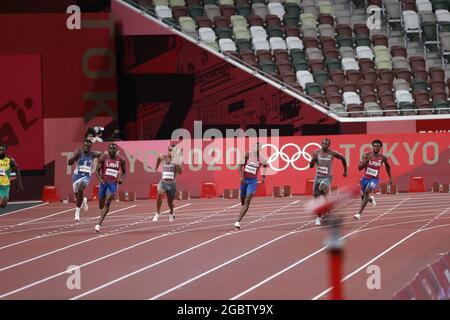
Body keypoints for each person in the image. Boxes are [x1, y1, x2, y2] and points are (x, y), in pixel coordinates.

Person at [309, 138, 347, 225]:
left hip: (327, 177)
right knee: (316, 197)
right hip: (318, 177)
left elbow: (343, 158)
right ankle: (319, 216)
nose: (324, 145)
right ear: (321, 144)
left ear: (329, 145)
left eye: (326, 144)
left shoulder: (332, 153)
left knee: (322, 188)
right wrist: (313, 160)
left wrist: (345, 171)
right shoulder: (316, 152)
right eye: (323, 143)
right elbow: (311, 166)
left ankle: (326, 206)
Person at [354, 139, 392, 220]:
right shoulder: (366, 155)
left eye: (378, 146)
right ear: (372, 146)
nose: (376, 147)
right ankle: (371, 199)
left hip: (374, 179)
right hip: (365, 178)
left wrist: (390, 178)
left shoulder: (383, 158)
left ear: (380, 147)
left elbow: (388, 166)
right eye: (374, 146)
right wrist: (366, 162)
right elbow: (359, 168)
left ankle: (359, 213)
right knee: (364, 196)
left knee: (367, 192)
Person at [234, 143, 267, 230]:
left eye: (259, 148)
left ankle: (238, 221)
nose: (257, 149)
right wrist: (241, 176)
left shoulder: (262, 159)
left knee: (248, 199)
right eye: (255, 147)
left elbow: (265, 165)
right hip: (244, 180)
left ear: (260, 149)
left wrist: (263, 177)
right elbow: (239, 165)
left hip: (253, 181)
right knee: (242, 201)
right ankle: (243, 207)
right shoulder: (247, 154)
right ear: (253, 148)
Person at [94, 143, 126, 232]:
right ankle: (103, 209)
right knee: (101, 205)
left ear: (116, 150)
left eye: (114, 149)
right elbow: (96, 171)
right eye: (110, 148)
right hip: (104, 183)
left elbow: (124, 172)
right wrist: (101, 180)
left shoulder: (121, 160)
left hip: (113, 184)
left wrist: (121, 179)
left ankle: (98, 224)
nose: (112, 150)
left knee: (108, 200)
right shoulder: (104, 158)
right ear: (108, 150)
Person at [68, 140, 101, 221]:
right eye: (85, 146)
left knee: (80, 188)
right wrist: (75, 157)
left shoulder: (92, 154)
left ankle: (77, 213)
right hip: (76, 176)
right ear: (83, 146)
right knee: (77, 195)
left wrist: (98, 166)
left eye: (88, 146)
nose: (86, 147)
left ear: (90, 147)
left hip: (86, 176)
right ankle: (83, 201)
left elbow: (100, 154)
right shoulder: (78, 152)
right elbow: (69, 162)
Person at [152, 145, 182, 222]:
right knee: (159, 192)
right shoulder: (164, 157)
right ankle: (158, 213)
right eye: (169, 150)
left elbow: (180, 172)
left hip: (172, 184)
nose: (170, 152)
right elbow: (158, 158)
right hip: (163, 182)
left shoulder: (177, 160)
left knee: (170, 203)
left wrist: (176, 163)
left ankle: (171, 212)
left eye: (172, 150)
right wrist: (155, 168)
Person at [0, 144, 23, 209]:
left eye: (3, 150)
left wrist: (19, 183)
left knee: (3, 205)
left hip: (5, 185)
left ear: (5, 151)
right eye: (0, 150)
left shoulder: (10, 160)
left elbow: (17, 171)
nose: (1, 151)